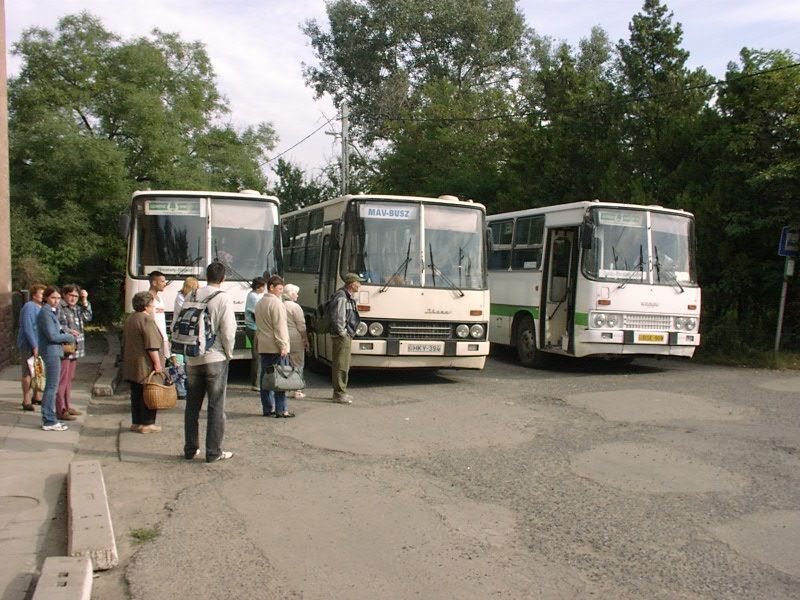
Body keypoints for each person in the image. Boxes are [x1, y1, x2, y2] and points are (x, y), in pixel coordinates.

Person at [183, 261, 236, 462]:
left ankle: (190, 448)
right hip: (215, 357)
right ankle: (213, 452)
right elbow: (228, 331)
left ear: (206, 276)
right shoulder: (223, 298)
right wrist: (228, 353)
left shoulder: (191, 294)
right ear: (223, 279)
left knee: (192, 406)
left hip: (193, 357)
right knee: (216, 407)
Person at [121, 291, 165, 433]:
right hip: (144, 365)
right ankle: (147, 423)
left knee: (136, 394)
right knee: (149, 393)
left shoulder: (131, 319)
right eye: (151, 304)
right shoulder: (147, 320)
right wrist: (158, 364)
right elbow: (151, 345)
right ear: (146, 306)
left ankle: (136, 422)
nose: (153, 306)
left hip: (131, 363)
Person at [36, 286, 77, 431]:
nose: (56, 301)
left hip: (54, 351)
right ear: (46, 298)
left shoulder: (50, 312)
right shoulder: (45, 313)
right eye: (53, 298)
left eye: (58, 298)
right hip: (51, 351)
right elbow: (52, 336)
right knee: (52, 387)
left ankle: (50, 418)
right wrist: (69, 337)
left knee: (52, 386)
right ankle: (49, 420)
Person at [255, 275, 292, 418]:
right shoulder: (276, 304)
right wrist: (283, 345)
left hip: (264, 345)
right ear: (271, 287)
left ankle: (267, 408)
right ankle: (281, 409)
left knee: (265, 378)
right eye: (280, 288)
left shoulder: (259, 303)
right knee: (280, 379)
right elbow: (280, 326)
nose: (281, 292)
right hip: (276, 346)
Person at [55, 284, 92, 421]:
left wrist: (84, 300)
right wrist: (69, 331)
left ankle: (67, 405)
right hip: (65, 347)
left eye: (76, 296)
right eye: (71, 295)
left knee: (69, 378)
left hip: (75, 348)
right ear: (64, 294)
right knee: (62, 379)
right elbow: (56, 324)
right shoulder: (60, 307)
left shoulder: (76, 308)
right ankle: (60, 409)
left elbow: (88, 317)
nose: (73, 298)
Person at [329, 273, 363, 404]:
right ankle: (339, 393)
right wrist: (342, 333)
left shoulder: (347, 296)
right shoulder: (342, 296)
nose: (360, 285)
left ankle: (340, 392)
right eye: (358, 282)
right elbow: (339, 316)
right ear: (351, 284)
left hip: (345, 334)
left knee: (343, 364)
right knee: (341, 364)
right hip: (342, 336)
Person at [17, 284, 45, 411]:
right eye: (41, 293)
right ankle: (26, 399)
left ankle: (37, 395)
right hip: (29, 344)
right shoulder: (29, 306)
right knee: (28, 371)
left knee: (38, 370)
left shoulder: (42, 307)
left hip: (40, 343)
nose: (43, 296)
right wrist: (34, 345)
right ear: (34, 295)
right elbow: (28, 327)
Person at [170, 276, 198, 400]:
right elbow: (189, 311)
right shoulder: (180, 298)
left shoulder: (189, 297)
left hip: (188, 333)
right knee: (179, 362)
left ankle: (188, 387)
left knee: (189, 361)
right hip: (179, 333)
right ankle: (181, 390)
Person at [283, 283, 309, 399]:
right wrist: (305, 338)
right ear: (291, 294)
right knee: (297, 363)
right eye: (296, 293)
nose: (297, 295)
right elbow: (301, 325)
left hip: (283, 336)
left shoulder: (281, 305)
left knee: (285, 363)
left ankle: (285, 387)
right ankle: (297, 390)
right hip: (295, 337)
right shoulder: (295, 307)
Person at [245, 277, 266, 391]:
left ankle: (256, 381)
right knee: (257, 355)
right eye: (263, 286)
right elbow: (256, 313)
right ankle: (256, 383)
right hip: (254, 328)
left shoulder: (253, 295)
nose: (264, 288)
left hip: (251, 327)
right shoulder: (253, 297)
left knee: (256, 354)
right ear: (259, 287)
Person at [148, 270, 170, 358]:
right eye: (162, 281)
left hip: (163, 338)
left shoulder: (160, 298)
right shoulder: (148, 298)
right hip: (155, 340)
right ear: (154, 283)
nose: (165, 284)